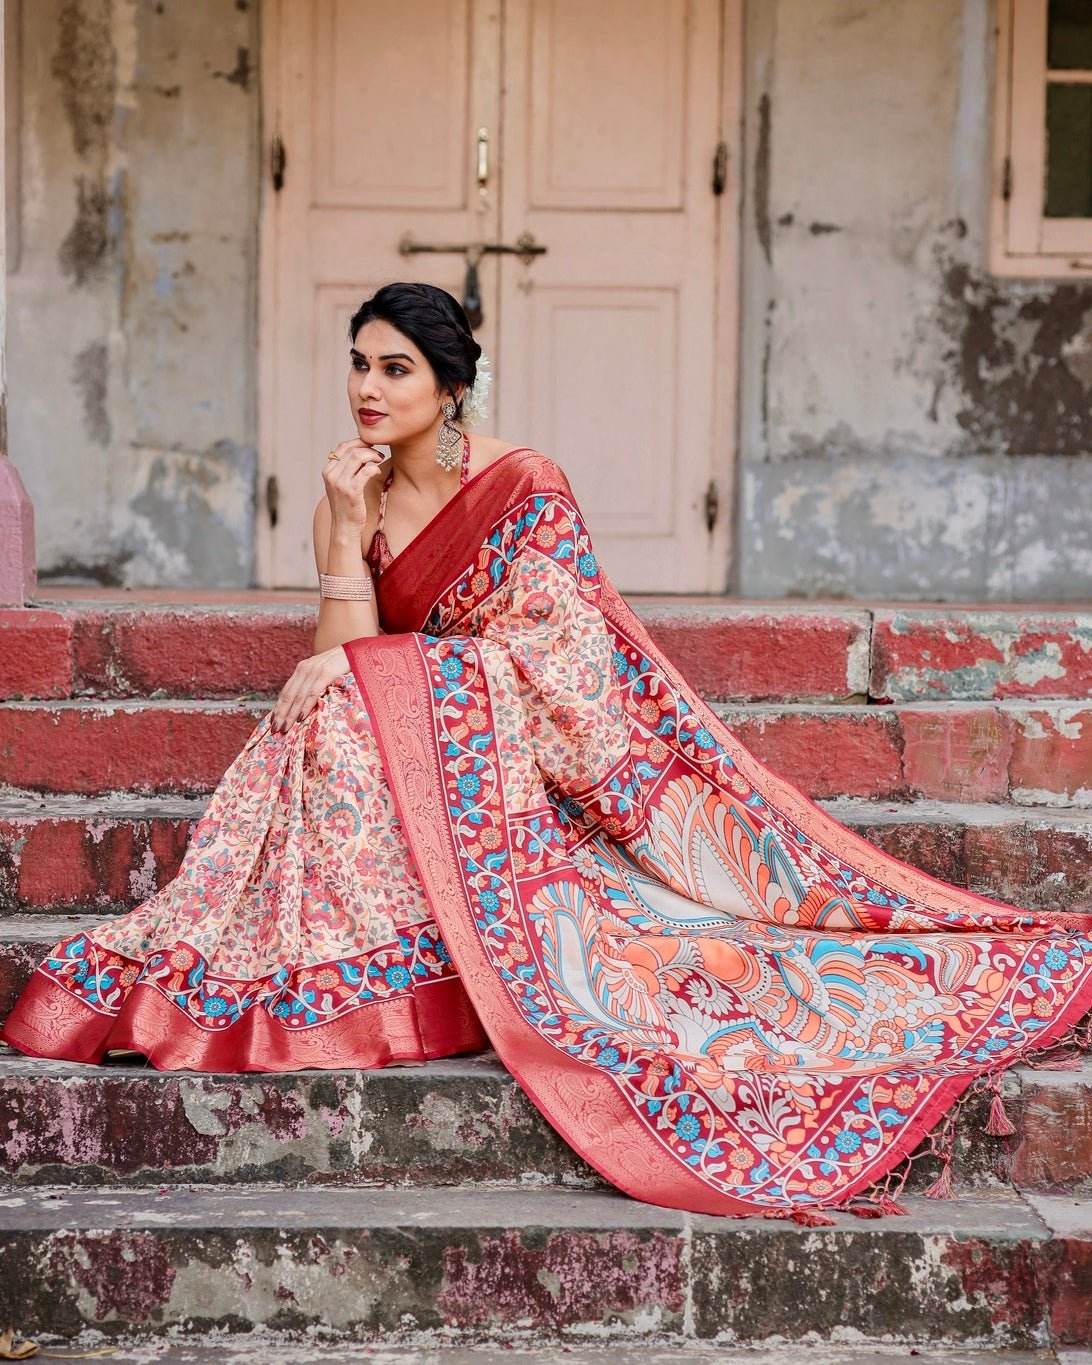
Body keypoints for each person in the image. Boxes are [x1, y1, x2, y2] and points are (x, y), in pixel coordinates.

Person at [3, 282, 1091, 1222]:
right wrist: (341, 527)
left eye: (395, 369)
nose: (367, 390)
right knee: (321, 713)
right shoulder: (361, 494)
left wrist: (382, 675)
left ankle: (372, 963)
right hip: (412, 756)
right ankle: (340, 962)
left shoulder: (523, 485)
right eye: (357, 366)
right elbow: (341, 651)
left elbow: (560, 662)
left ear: (450, 386)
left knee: (337, 706)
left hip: (520, 759)